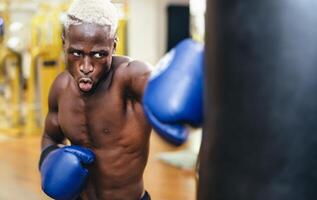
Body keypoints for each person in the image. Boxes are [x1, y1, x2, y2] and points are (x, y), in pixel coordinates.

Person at [39, 0, 152, 200]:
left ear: (113, 45)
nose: (86, 66)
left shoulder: (132, 78)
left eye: (99, 55)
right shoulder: (60, 88)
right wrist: (49, 161)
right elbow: (50, 137)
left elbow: (166, 96)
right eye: (76, 53)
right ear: (64, 42)